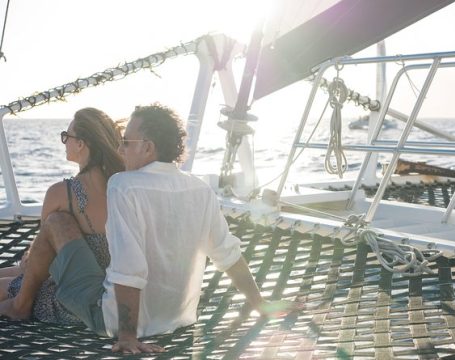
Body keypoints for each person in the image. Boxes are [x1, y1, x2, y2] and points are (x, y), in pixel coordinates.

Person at [0, 103, 297, 354]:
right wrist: (260, 304)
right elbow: (227, 254)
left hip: (114, 319)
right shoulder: (200, 189)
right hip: (180, 317)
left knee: (56, 223)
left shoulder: (124, 186)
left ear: (147, 147)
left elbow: (129, 266)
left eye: (126, 142)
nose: (119, 149)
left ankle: (20, 304)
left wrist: (127, 335)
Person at [0, 107, 124, 323]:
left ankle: (20, 306)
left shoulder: (62, 193)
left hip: (69, 302)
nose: (64, 141)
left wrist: (25, 265)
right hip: (115, 293)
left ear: (81, 143)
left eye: (66, 136)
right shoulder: (123, 187)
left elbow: (44, 263)